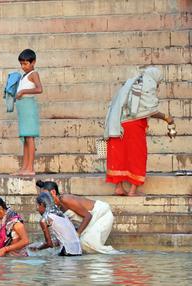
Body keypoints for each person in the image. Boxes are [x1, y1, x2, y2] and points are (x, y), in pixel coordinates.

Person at [104, 66, 173, 196]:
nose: (158, 84)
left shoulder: (132, 82)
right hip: (133, 126)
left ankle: (118, 187)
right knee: (138, 156)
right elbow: (150, 110)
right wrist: (166, 118)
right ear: (155, 77)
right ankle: (132, 190)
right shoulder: (147, 84)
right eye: (159, 82)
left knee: (119, 155)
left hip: (118, 124)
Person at [37, 180, 117, 254]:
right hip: (90, 222)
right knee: (85, 246)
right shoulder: (54, 209)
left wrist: (77, 234)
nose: (44, 198)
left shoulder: (65, 199)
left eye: (46, 195)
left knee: (87, 243)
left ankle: (117, 255)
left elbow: (88, 216)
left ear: (53, 192)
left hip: (102, 214)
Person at [13, 49, 43, 177]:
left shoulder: (34, 73)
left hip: (29, 107)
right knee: (25, 138)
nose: (23, 66)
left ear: (33, 62)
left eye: (26, 64)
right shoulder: (24, 75)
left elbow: (39, 89)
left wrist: (23, 91)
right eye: (21, 64)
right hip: (23, 107)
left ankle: (30, 167)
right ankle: (24, 167)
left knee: (30, 137)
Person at [31, 192, 82, 256]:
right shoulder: (62, 216)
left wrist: (37, 248)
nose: (37, 209)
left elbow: (49, 244)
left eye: (37, 206)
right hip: (78, 251)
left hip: (67, 251)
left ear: (41, 204)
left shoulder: (44, 220)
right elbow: (65, 239)